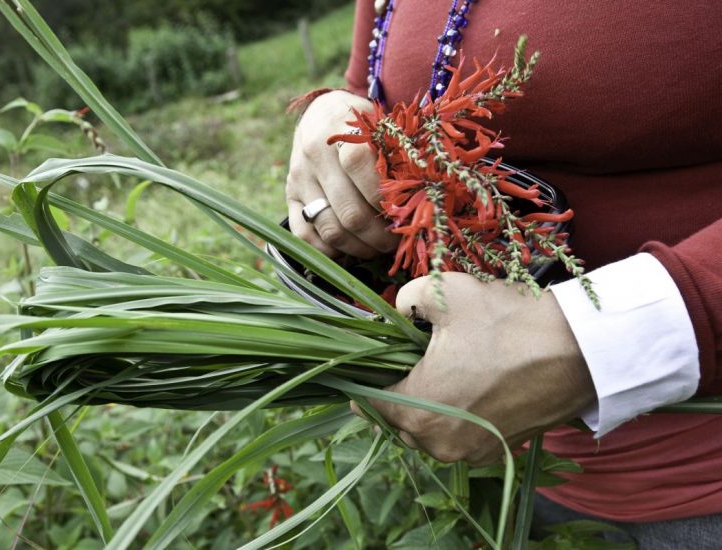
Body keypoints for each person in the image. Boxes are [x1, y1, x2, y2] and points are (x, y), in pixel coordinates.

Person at [286, 1, 722, 547]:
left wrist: (587, 342)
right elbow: (375, 82)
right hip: (508, 473)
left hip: (701, 492)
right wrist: (332, 118)